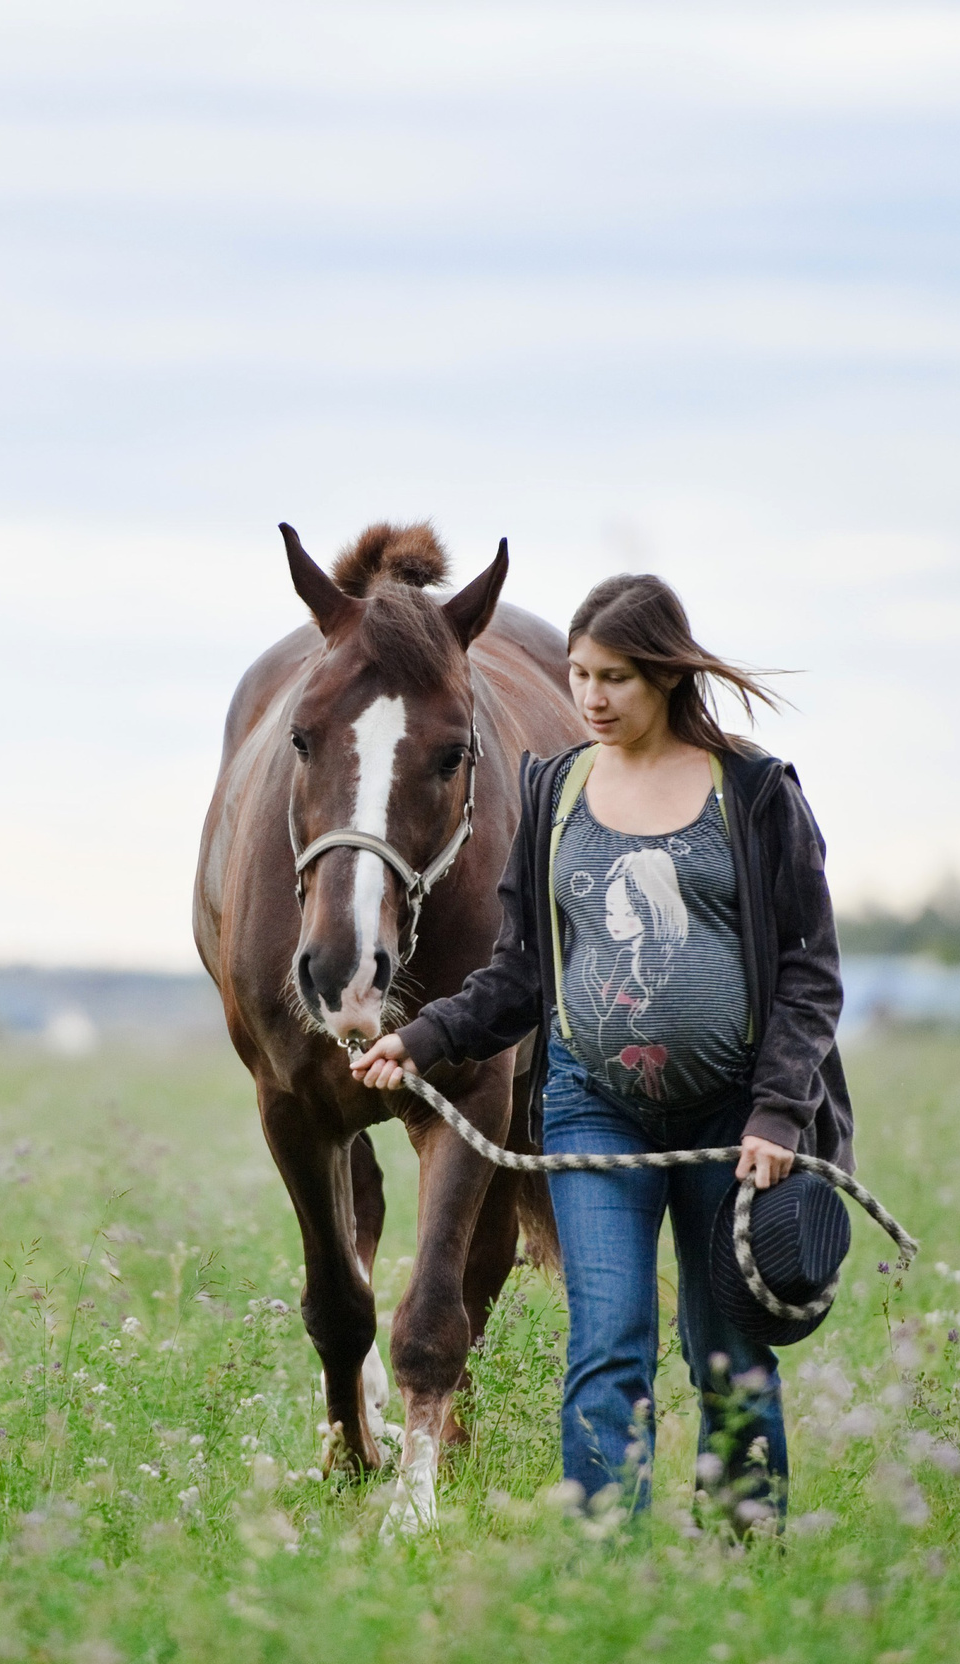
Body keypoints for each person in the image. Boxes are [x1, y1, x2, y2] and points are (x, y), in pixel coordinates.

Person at [349, 573, 850, 1520]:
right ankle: (601, 1561)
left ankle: (744, 1550)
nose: (590, 698)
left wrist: (780, 1111)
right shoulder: (558, 790)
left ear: (667, 676)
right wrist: (421, 1039)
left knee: (727, 1354)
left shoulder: (753, 791)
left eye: (615, 677)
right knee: (609, 1342)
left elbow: (810, 972)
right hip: (593, 1106)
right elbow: (519, 974)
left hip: (733, 1117)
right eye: (579, 674)